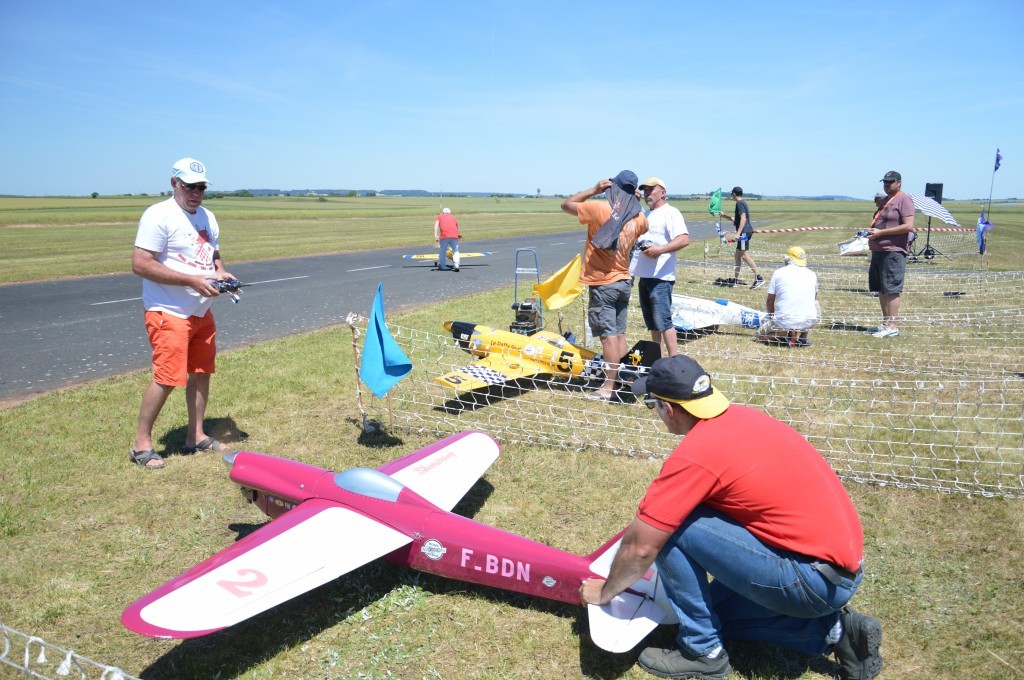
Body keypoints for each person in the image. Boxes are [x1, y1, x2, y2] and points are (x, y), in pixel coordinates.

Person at [580, 354, 882, 680]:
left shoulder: (696, 455)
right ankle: (839, 632)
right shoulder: (745, 418)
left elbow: (641, 547)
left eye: (652, 404)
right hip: (840, 569)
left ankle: (703, 651)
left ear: (668, 409)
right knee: (718, 613)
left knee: (673, 526)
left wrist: (605, 592)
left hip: (809, 579)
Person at [130, 158, 232, 469]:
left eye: (201, 187)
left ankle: (196, 436)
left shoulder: (207, 216)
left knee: (201, 373)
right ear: (174, 183)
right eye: (190, 186)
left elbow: (213, 253)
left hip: (202, 310)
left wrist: (221, 272)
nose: (196, 193)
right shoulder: (158, 215)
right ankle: (141, 444)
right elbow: (141, 264)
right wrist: (191, 281)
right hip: (168, 310)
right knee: (167, 378)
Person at [561, 171, 649, 401]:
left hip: (603, 283)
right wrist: (634, 203)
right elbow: (645, 226)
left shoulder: (599, 208)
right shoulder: (639, 218)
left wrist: (594, 190)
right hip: (623, 281)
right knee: (619, 334)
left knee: (608, 337)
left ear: (613, 187)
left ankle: (608, 388)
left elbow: (566, 205)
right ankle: (625, 380)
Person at [630, 177, 691, 357]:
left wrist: (660, 250)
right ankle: (657, 359)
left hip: (661, 278)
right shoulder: (646, 215)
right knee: (653, 324)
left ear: (663, 192)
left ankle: (674, 360)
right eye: (645, 190)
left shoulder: (671, 212)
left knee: (663, 322)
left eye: (651, 190)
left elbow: (684, 239)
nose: (647, 193)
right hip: (644, 276)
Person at [866, 171, 915, 338]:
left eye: (890, 182)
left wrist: (881, 233)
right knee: (881, 288)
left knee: (892, 289)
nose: (886, 185)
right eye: (885, 182)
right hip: (879, 250)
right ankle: (886, 323)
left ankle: (893, 326)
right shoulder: (886, 199)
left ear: (898, 183)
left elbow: (908, 226)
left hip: (893, 251)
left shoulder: (904, 199)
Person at [755, 245, 820, 346]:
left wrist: (772, 317)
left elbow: (770, 301)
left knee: (758, 336)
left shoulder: (778, 273)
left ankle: (785, 334)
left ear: (788, 259)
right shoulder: (812, 274)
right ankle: (803, 337)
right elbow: (813, 298)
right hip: (808, 321)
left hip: (783, 321)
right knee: (815, 304)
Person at [719, 186, 764, 289]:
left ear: (734, 194)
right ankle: (735, 280)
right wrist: (724, 215)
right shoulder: (742, 203)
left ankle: (758, 278)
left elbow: (743, 218)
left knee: (744, 256)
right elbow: (736, 219)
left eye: (732, 194)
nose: (731, 196)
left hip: (744, 233)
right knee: (737, 256)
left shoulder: (739, 203)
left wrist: (738, 233)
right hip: (744, 232)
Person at [434, 207, 461, 272]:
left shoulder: (439, 216)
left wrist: (435, 234)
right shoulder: (453, 217)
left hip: (444, 236)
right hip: (454, 236)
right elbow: (456, 227)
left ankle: (443, 266)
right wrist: (457, 235)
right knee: (456, 251)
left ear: (443, 212)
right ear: (450, 212)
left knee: (443, 251)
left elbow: (436, 225)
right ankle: (456, 265)